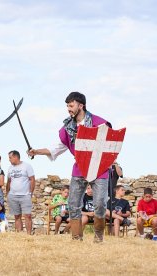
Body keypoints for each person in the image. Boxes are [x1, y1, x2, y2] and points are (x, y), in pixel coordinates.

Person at [28, 92, 111, 242]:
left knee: (99, 204)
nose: (68, 109)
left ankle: (98, 238)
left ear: (81, 105)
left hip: (99, 167)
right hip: (79, 167)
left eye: (71, 105)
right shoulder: (68, 127)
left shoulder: (99, 123)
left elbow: (110, 145)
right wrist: (36, 151)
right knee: (73, 203)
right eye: (67, 106)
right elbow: (56, 149)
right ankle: (76, 238)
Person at [6, 150, 35, 235]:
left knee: (28, 216)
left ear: (16, 157)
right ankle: (20, 235)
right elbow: (9, 181)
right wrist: (7, 193)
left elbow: (32, 179)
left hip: (25, 195)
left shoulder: (27, 166)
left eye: (10, 158)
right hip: (13, 196)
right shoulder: (10, 168)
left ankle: (29, 235)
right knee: (17, 216)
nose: (9, 160)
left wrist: (30, 193)